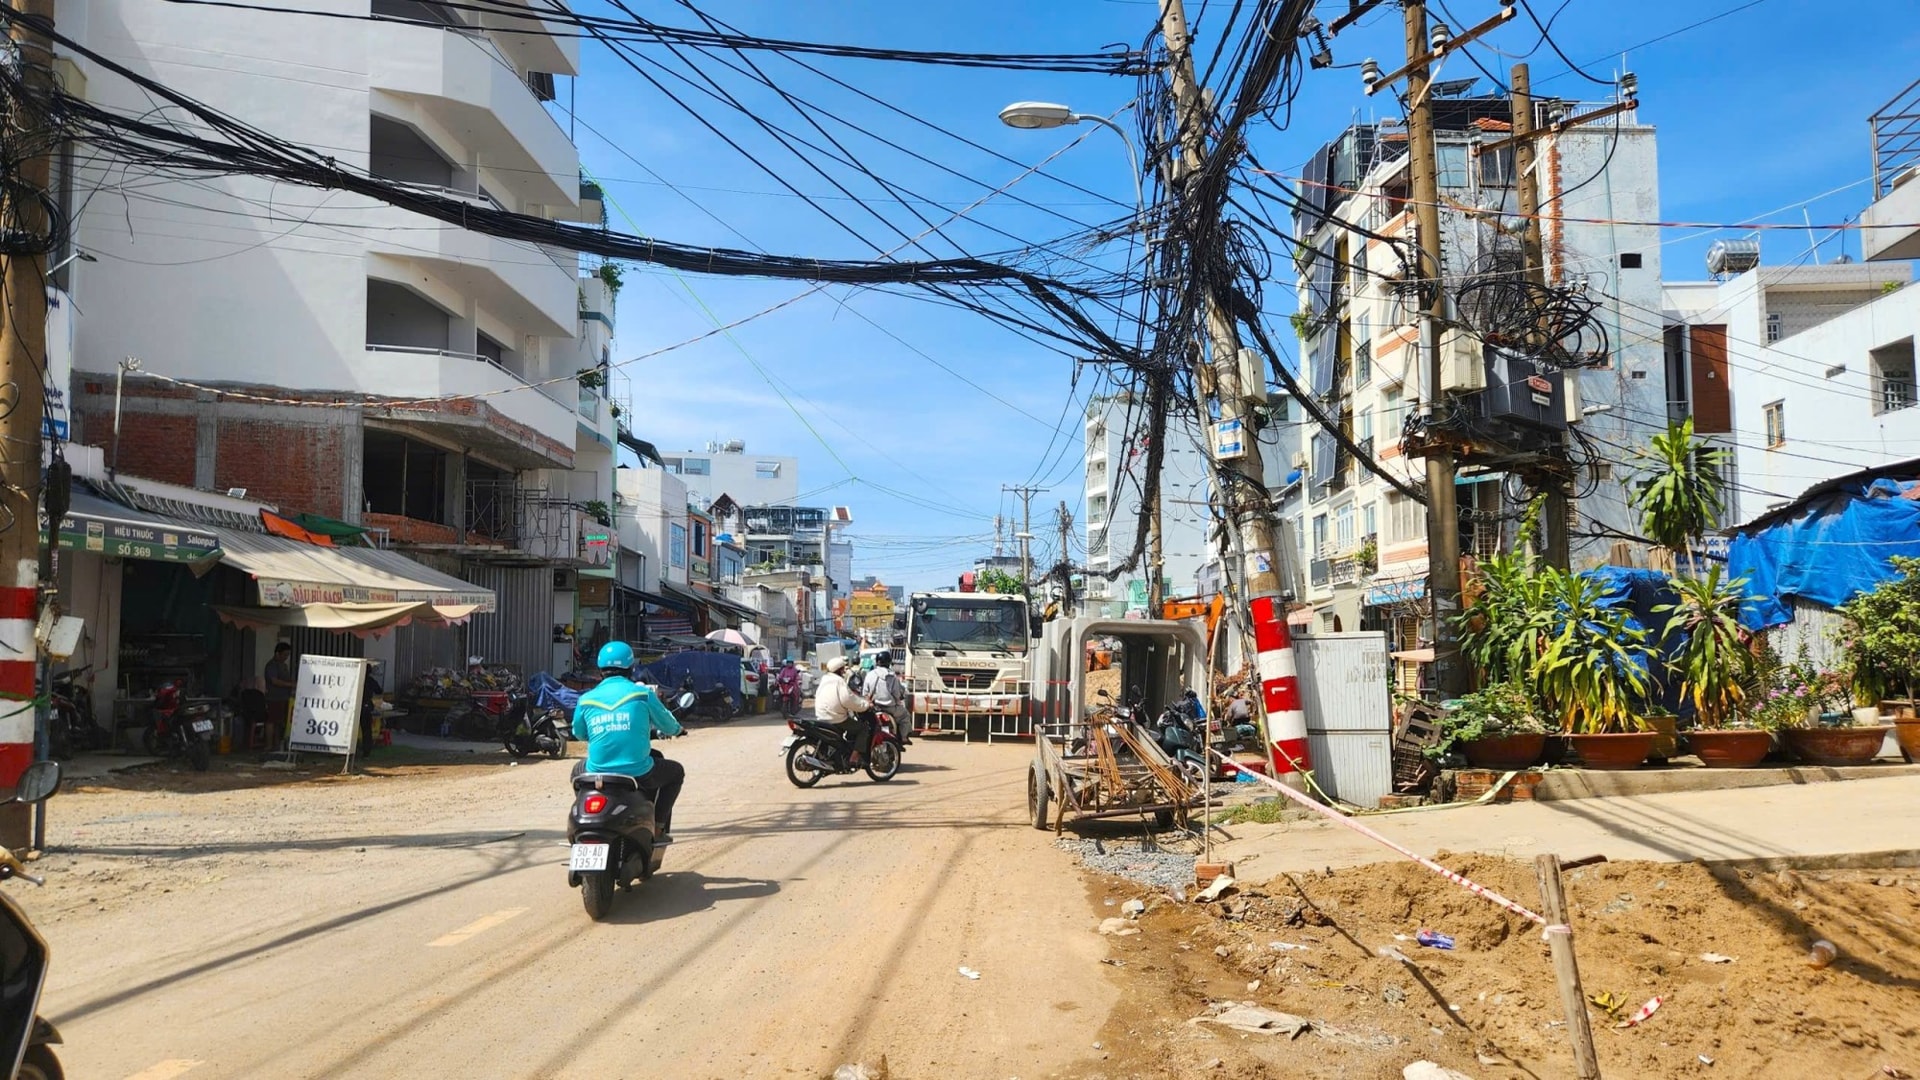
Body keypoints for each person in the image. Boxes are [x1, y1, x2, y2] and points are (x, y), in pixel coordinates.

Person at [573, 641, 686, 844]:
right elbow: (668, 725)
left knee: (576, 773)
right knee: (676, 772)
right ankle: (658, 826)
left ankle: (585, 810)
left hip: (596, 770)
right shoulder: (642, 694)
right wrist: (679, 730)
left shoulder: (586, 699)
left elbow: (579, 734)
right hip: (638, 771)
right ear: (631, 668)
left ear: (600, 670)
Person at [813, 655, 871, 765]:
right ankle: (854, 758)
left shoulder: (825, 679)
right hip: (836, 718)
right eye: (843, 669)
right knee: (863, 728)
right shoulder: (839, 681)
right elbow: (848, 700)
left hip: (821, 716)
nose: (844, 671)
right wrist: (866, 705)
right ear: (839, 670)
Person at [863, 650, 910, 747]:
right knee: (905, 715)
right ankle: (904, 738)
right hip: (890, 708)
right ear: (889, 662)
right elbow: (897, 694)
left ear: (877, 662)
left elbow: (865, 693)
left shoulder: (869, 675)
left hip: (873, 708)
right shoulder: (892, 676)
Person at [263, 643, 295, 749]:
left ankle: (277, 744)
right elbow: (274, 681)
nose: (286, 657)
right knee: (271, 721)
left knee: (280, 723)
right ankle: (269, 745)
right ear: (277, 654)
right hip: (274, 698)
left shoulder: (284, 666)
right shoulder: (271, 665)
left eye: (288, 655)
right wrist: (290, 684)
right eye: (285, 655)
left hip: (284, 698)